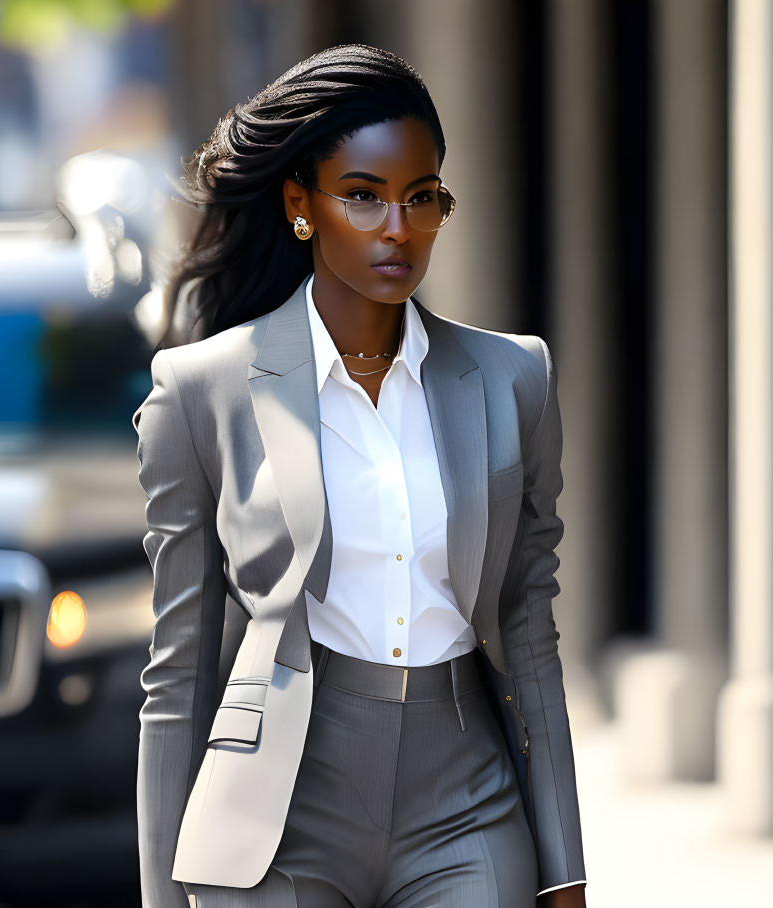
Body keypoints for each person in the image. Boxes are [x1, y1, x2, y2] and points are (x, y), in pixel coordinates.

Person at [132, 43, 587, 908]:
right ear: (301, 206)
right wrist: (161, 893)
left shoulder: (511, 378)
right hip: (278, 807)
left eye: (422, 199)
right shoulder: (202, 392)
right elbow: (177, 672)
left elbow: (529, 631)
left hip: (464, 798)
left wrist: (564, 871)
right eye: (364, 197)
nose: (397, 229)